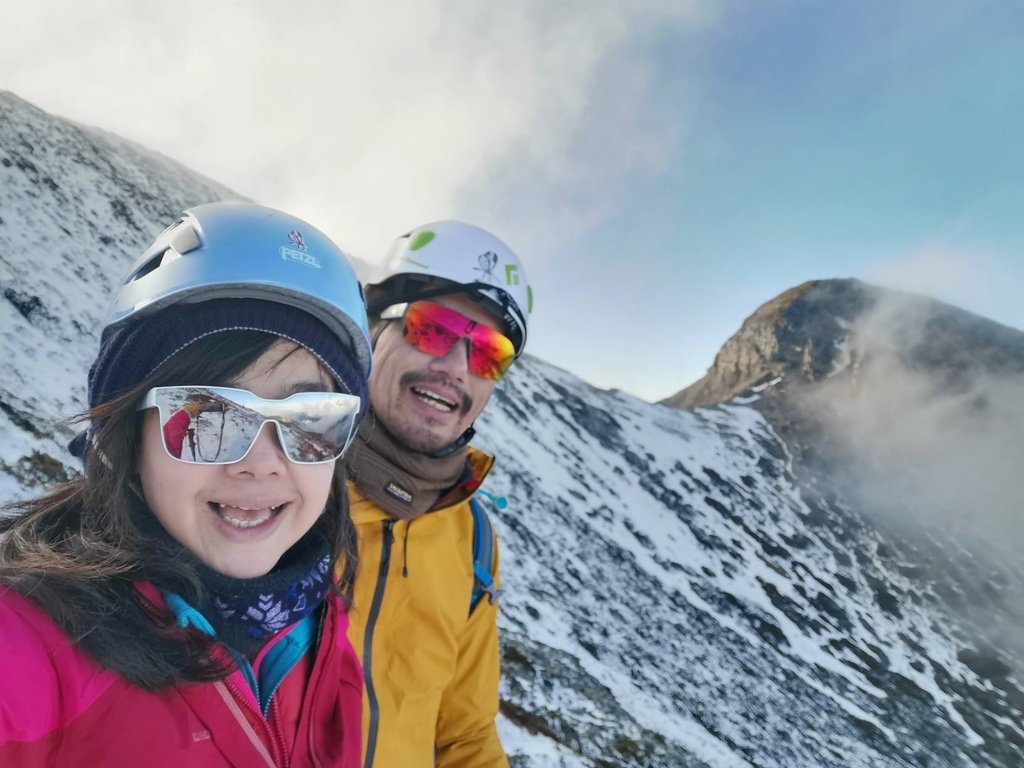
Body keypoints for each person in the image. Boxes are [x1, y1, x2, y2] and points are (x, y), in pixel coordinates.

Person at [0, 202, 373, 767]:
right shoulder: (30, 646)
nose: (263, 464)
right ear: (126, 435)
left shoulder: (319, 624)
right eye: (207, 416)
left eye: (310, 418)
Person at [344, 220, 532, 767]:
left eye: (488, 353)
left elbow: (466, 736)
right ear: (374, 331)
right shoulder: (276, 476)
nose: (455, 368)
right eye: (433, 329)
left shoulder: (471, 538)